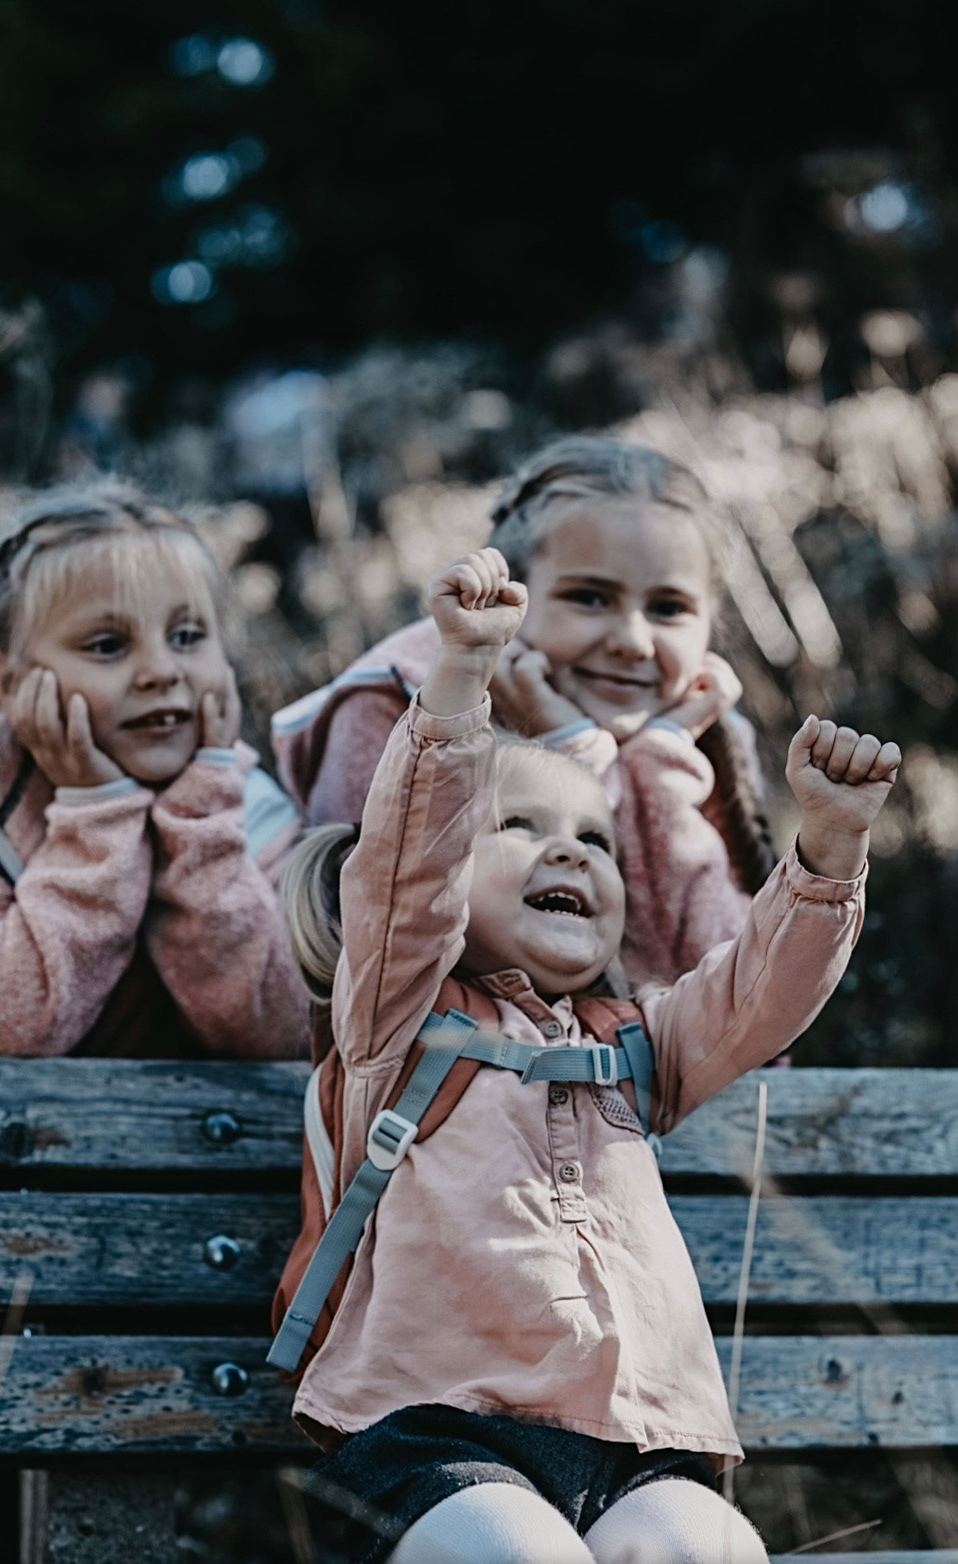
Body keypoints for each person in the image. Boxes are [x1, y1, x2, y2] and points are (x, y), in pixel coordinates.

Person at [278, 547, 899, 1563]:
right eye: (516, 827)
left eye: (594, 839)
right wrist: (461, 679)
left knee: (714, 1552)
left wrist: (827, 850)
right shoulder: (395, 1014)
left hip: (640, 1440)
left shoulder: (632, 1043)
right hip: (435, 1435)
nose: (569, 851)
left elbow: (759, 995)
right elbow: (408, 869)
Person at [274, 434, 773, 990]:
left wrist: (655, 771)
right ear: (508, 596)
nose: (633, 641)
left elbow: (728, 987)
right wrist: (573, 752)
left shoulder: (694, 731)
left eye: (668, 608)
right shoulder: (403, 710)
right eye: (589, 597)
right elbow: (366, 962)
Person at [0, 480, 309, 1057]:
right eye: (108, 645)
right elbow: (12, 1024)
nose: (160, 670)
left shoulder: (247, 803)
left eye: (186, 637)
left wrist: (200, 819)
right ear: (9, 682)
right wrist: (94, 813)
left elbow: (276, 1028)